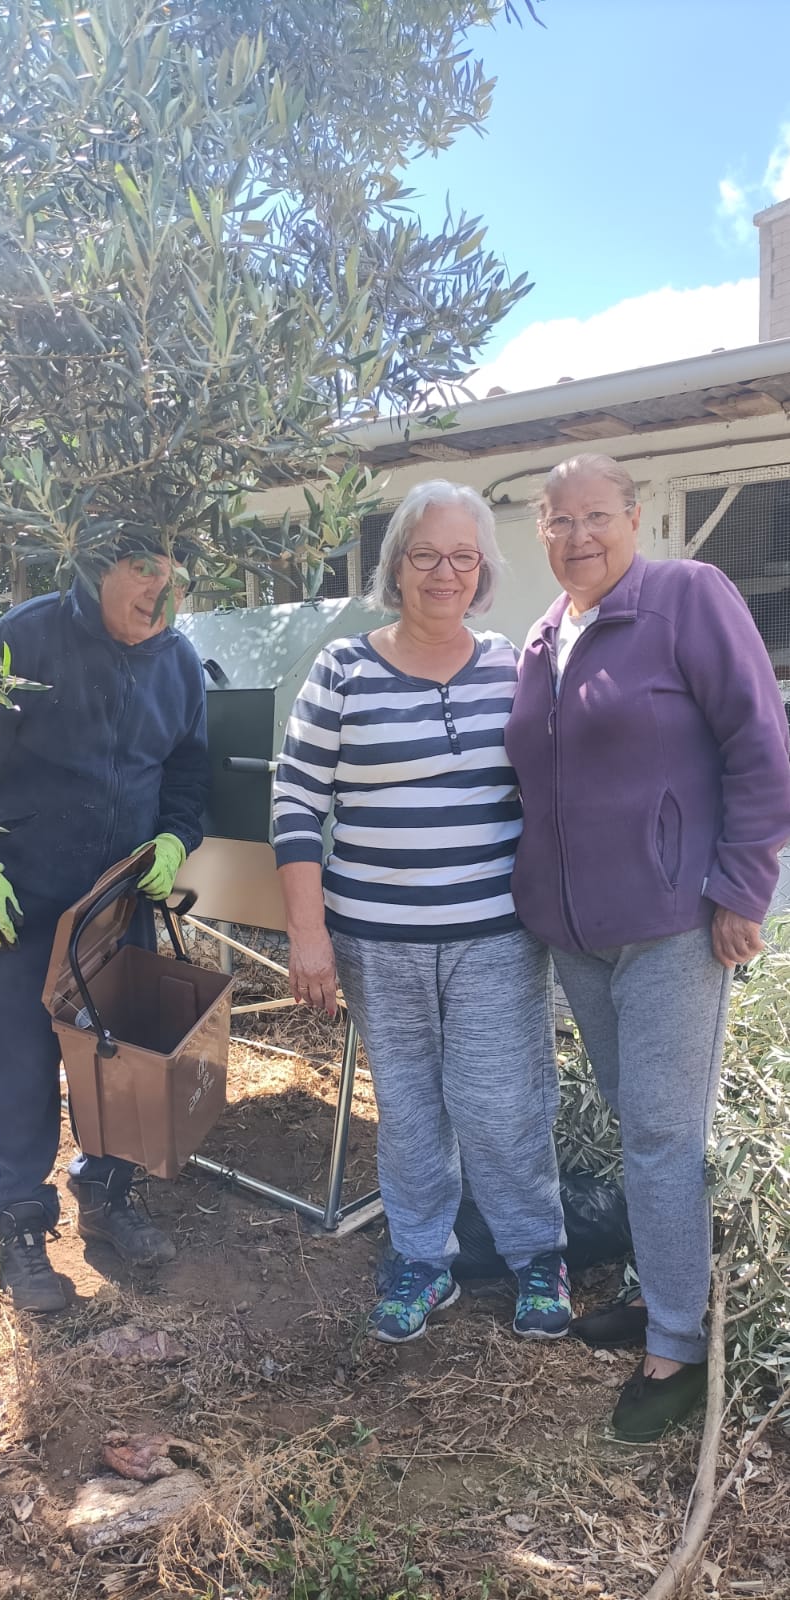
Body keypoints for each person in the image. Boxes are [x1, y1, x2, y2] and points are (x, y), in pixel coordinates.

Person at [505, 453, 790, 1442]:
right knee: (638, 1124)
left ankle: (678, 1345)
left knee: (662, 1133)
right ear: (537, 532)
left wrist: (740, 887)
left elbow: (759, 743)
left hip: (673, 922)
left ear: (633, 516)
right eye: (556, 520)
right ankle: (655, 1286)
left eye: (596, 515)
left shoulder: (684, 596)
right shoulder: (543, 638)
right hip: (579, 934)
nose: (577, 535)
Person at [272, 481, 569, 1344]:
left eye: (463, 557)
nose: (445, 572)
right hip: (377, 939)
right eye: (426, 555)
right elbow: (296, 804)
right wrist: (308, 934)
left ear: (482, 571)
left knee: (505, 1103)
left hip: (495, 938)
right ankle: (420, 1258)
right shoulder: (343, 669)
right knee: (407, 1108)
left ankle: (534, 1256)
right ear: (395, 564)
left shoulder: (515, 664)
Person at [0, 540, 209, 1312]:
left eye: (177, 580)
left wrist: (174, 837)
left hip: (115, 908)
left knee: (116, 1062)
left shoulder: (180, 664)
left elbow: (189, 770)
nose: (160, 594)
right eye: (144, 571)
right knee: (22, 1064)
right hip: (18, 906)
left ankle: (108, 1191)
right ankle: (22, 1224)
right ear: (98, 568)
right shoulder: (22, 637)